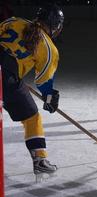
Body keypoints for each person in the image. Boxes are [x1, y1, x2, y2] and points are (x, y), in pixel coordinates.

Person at [0, 4, 64, 178]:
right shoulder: (49, 48)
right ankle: (39, 160)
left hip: (7, 74)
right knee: (31, 117)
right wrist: (49, 96)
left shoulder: (16, 21)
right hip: (7, 80)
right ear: (56, 25)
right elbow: (43, 81)